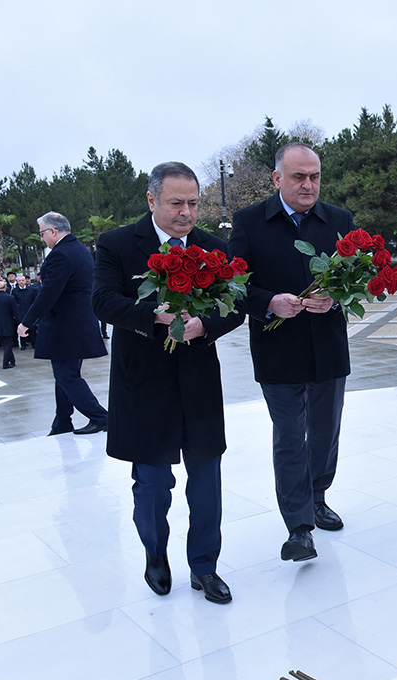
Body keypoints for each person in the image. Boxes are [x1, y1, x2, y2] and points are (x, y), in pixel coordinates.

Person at [93, 161, 244, 604]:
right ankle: (155, 552)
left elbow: (236, 306)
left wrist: (205, 325)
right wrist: (154, 317)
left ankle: (205, 566)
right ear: (152, 200)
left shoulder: (213, 247)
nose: (186, 213)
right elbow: (103, 301)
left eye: (193, 203)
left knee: (207, 480)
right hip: (143, 384)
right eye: (177, 203)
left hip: (198, 382)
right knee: (153, 485)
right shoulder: (118, 244)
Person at [229, 142, 353, 563]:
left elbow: (354, 279)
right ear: (277, 178)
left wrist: (334, 297)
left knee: (325, 432)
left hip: (327, 347)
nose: (308, 184)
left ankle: (317, 496)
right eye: (299, 176)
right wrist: (268, 302)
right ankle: (299, 527)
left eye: (315, 176)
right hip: (277, 349)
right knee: (289, 437)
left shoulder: (339, 221)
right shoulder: (248, 222)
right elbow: (234, 284)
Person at [18, 212, 108, 436]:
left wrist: (27, 321)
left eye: (42, 233)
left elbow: (49, 293)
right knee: (65, 375)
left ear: (53, 231)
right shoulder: (79, 250)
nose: (41, 238)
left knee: (67, 376)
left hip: (65, 325)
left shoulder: (60, 254)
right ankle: (62, 421)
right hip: (77, 323)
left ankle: (101, 417)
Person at [11, 275, 37, 350]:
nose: (21, 282)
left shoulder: (31, 290)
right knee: (21, 328)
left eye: (23, 280)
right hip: (20, 312)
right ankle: (23, 344)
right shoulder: (15, 291)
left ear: (25, 281)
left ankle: (34, 343)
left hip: (30, 311)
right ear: (17, 282)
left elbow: (35, 301)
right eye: (19, 281)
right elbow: (13, 302)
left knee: (32, 329)